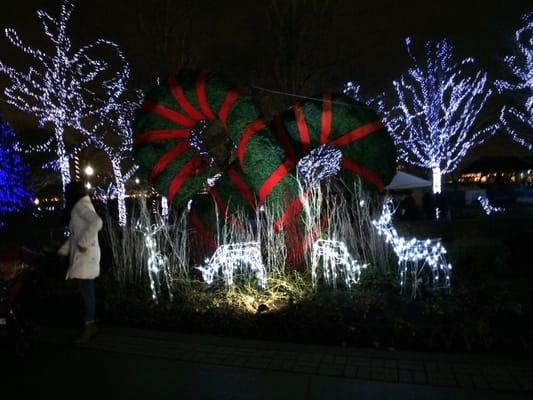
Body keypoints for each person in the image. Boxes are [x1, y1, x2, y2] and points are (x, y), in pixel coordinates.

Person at [57, 181, 103, 344]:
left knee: (86, 293)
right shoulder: (82, 205)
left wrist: (83, 243)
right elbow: (76, 234)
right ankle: (89, 325)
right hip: (86, 256)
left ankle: (89, 326)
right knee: (87, 292)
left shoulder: (80, 206)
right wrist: (64, 250)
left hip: (86, 256)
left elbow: (97, 222)